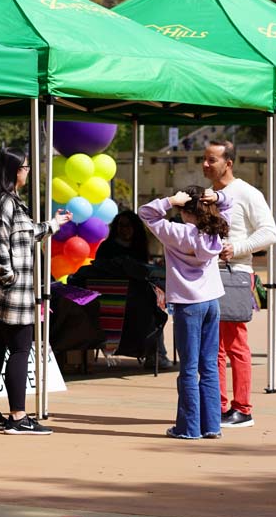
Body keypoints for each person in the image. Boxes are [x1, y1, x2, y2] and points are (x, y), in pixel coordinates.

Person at [0, 148, 68, 435]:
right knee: (21, 348)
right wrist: (7, 274)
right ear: (13, 170)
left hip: (5, 290)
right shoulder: (4, 202)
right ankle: (18, 416)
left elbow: (23, 235)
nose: (28, 171)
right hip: (9, 290)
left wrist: (54, 224)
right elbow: (1, 242)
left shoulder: (8, 202)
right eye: (25, 166)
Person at [139, 185, 233, 440]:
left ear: (184, 209)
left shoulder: (176, 232)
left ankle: (189, 427)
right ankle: (212, 425)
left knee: (189, 368)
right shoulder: (215, 231)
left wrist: (169, 200)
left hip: (187, 304)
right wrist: (218, 197)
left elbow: (145, 213)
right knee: (210, 365)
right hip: (212, 300)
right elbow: (230, 204)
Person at [203, 140, 276, 429]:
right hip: (209, 275)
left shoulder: (246, 193)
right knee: (214, 346)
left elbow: (269, 233)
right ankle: (219, 406)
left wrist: (238, 247)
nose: (206, 164)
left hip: (236, 274)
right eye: (205, 159)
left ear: (228, 163)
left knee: (235, 344)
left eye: (212, 160)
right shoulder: (210, 194)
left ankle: (243, 408)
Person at [96, 209, 174, 370]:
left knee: (155, 311)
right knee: (152, 310)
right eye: (120, 225)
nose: (123, 229)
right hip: (112, 298)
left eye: (127, 226)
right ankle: (156, 354)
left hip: (137, 295)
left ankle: (156, 354)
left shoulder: (138, 246)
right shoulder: (107, 247)